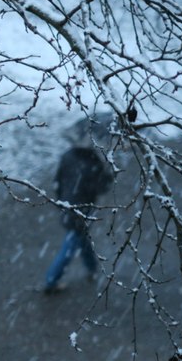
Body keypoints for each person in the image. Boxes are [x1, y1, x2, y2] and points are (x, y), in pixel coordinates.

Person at [44, 119, 113, 294]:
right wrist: (106, 172)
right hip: (82, 210)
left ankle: (92, 268)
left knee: (82, 239)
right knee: (71, 244)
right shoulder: (93, 163)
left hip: (66, 204)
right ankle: (51, 281)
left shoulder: (67, 156)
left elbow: (57, 181)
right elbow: (101, 188)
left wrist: (60, 200)